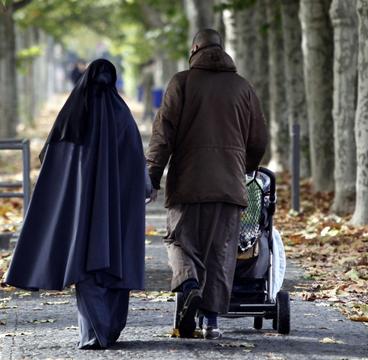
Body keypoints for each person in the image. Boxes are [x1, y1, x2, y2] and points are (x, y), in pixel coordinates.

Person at [4, 59, 148, 350]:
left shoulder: (73, 116)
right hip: (117, 212)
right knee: (116, 266)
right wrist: (144, 188)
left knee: (86, 266)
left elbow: (54, 162)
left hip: (82, 212)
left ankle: (94, 334)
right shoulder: (123, 117)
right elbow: (135, 161)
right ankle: (107, 331)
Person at [146, 28, 268, 340]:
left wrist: (152, 176)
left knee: (179, 241)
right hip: (229, 185)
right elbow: (258, 141)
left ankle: (187, 284)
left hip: (187, 183)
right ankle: (211, 321)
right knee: (221, 252)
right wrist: (245, 169)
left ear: (195, 49)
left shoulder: (182, 83)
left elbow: (163, 135)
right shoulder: (242, 87)